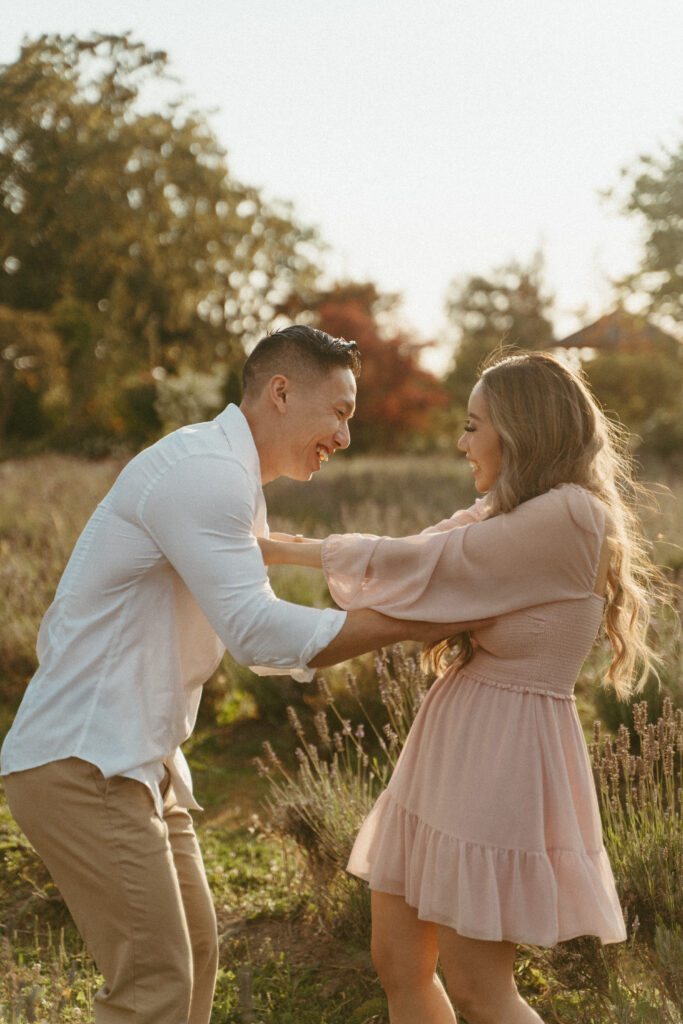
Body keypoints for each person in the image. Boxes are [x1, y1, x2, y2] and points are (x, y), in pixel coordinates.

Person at [0, 325, 485, 1024]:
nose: (345, 437)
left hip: (140, 763)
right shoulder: (203, 473)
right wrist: (417, 622)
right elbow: (258, 630)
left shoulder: (230, 478)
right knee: (153, 989)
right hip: (83, 759)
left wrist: (412, 589)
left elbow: (259, 636)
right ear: (281, 393)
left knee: (193, 963)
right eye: (340, 412)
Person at [258, 350, 666, 1024]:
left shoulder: (569, 514)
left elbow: (425, 563)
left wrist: (281, 550)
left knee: (480, 990)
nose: (460, 442)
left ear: (522, 428)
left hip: (501, 760)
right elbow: (423, 550)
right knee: (398, 964)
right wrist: (290, 548)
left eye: (473, 425)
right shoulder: (506, 510)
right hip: (448, 748)